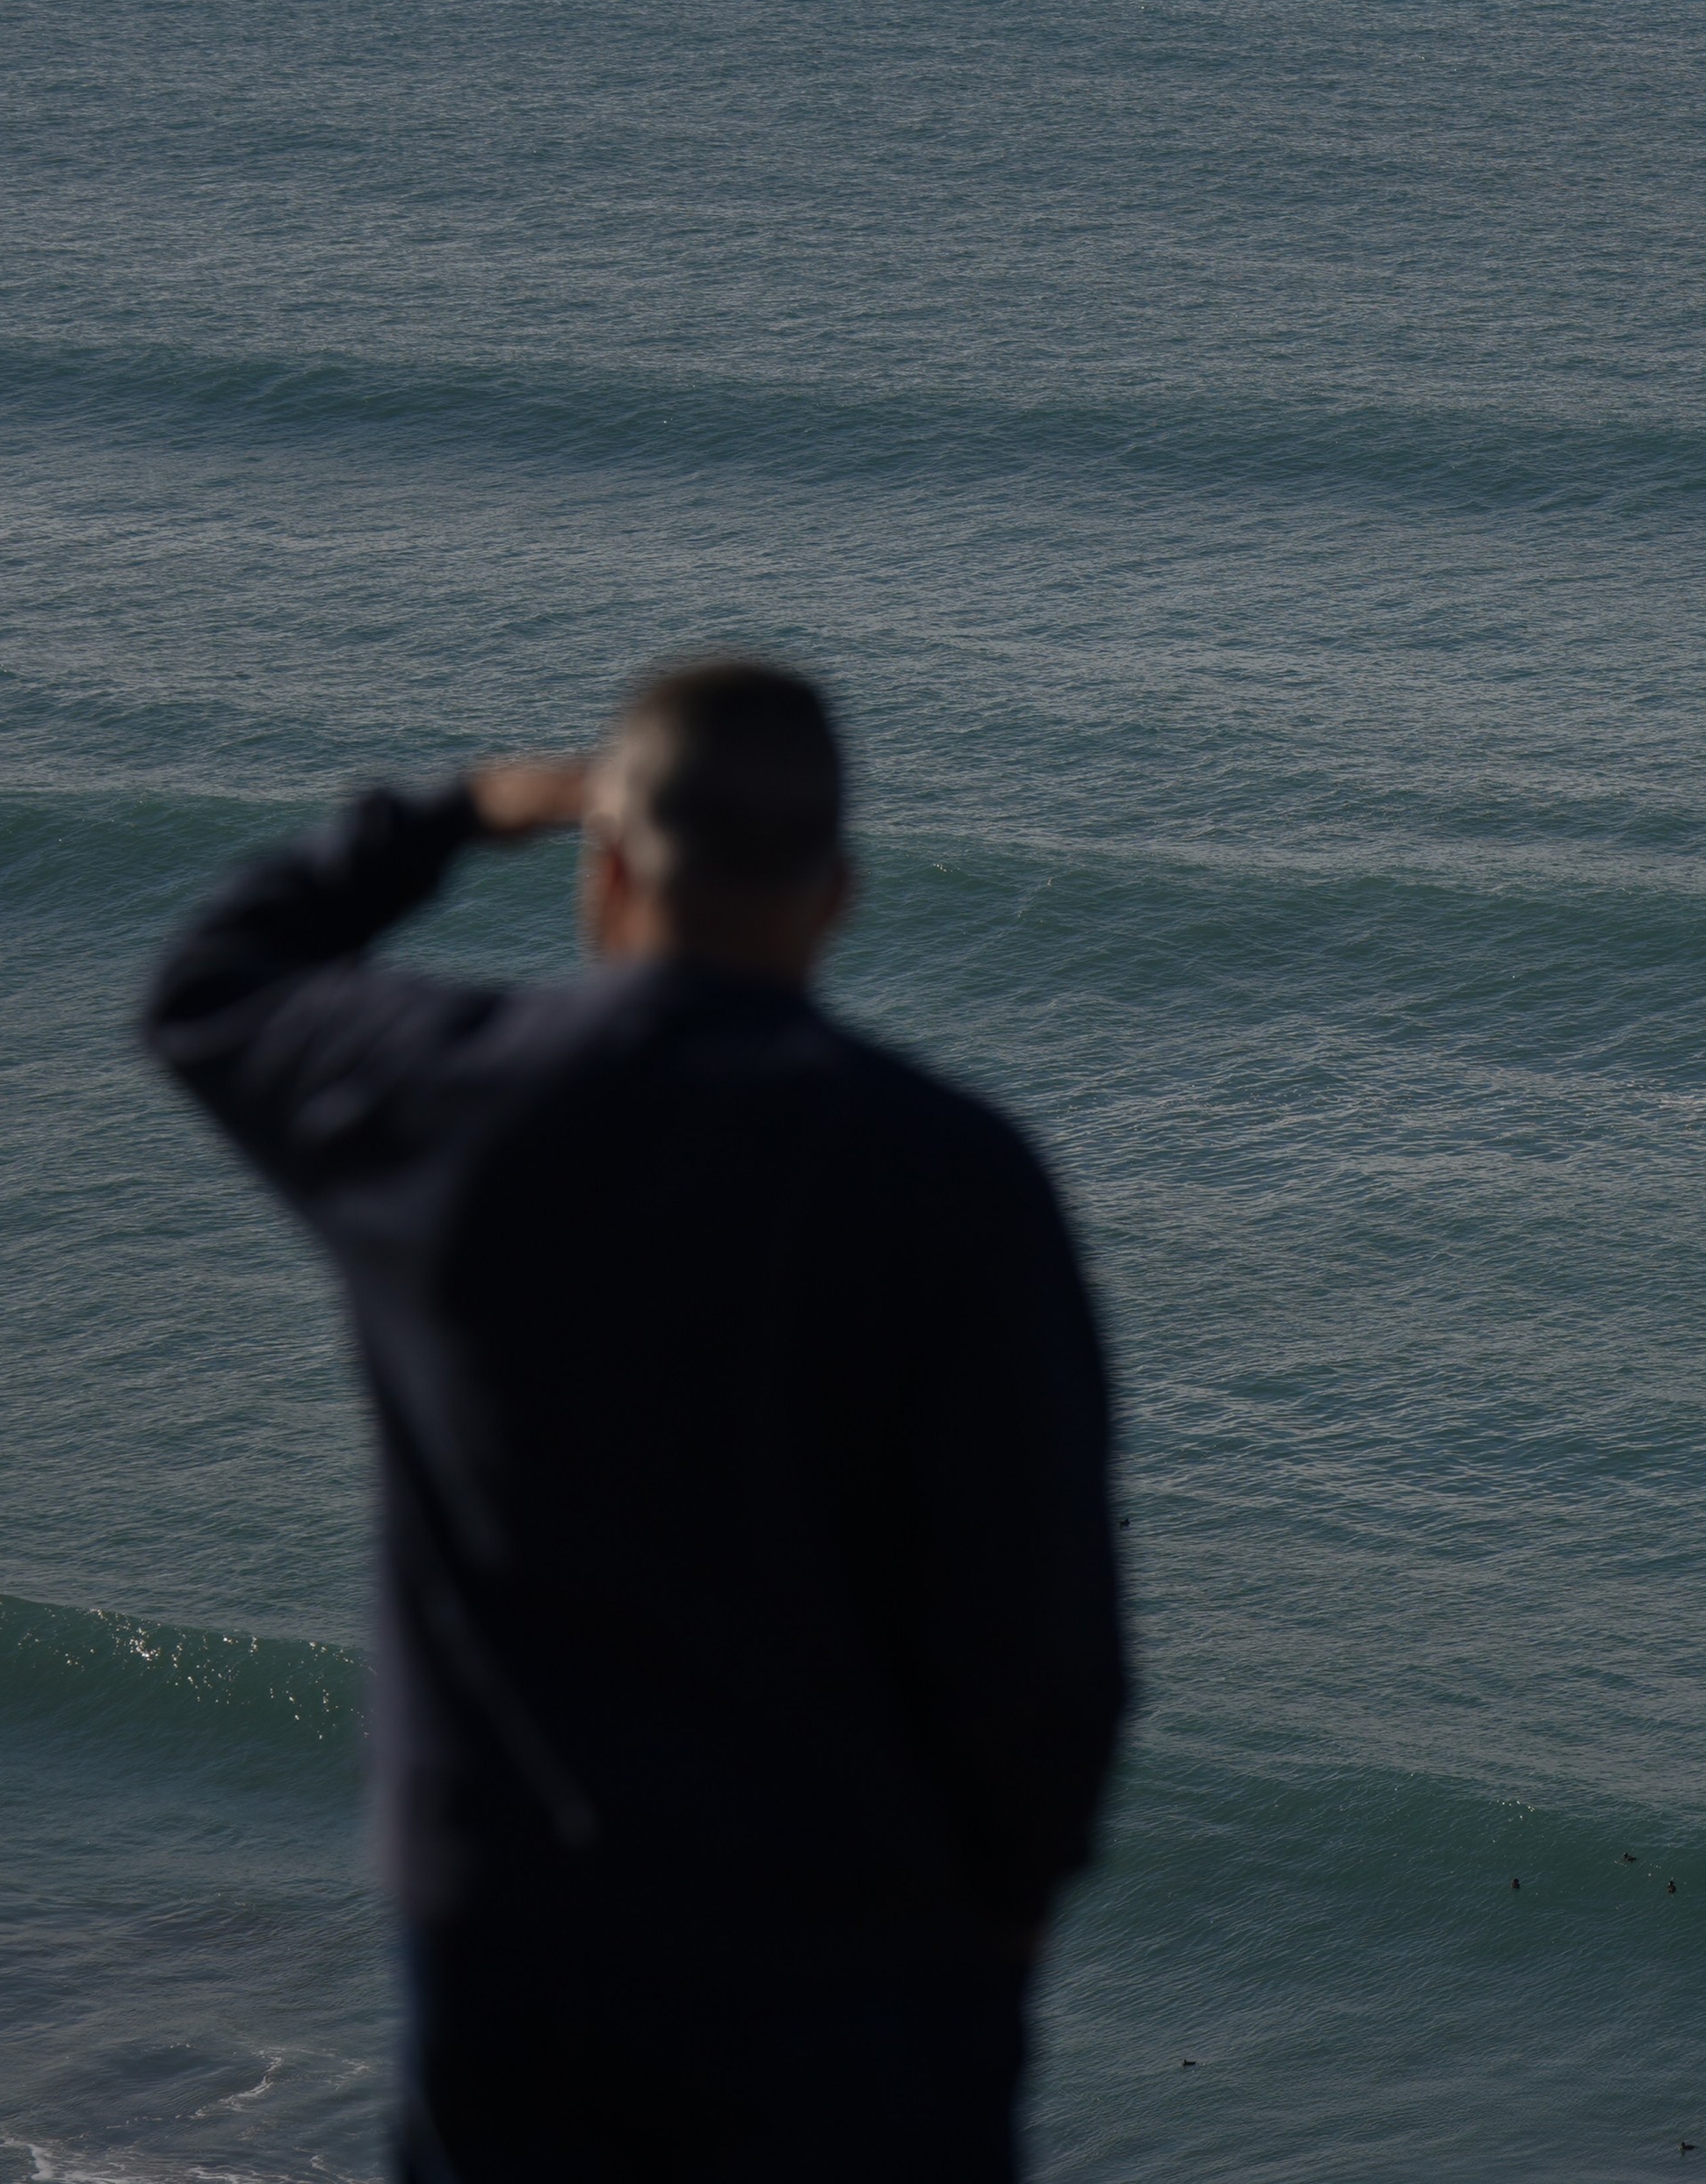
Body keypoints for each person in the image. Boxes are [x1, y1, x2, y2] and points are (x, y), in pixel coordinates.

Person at [141, 656, 1127, 2180]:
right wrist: (1006, 1915)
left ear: (604, 871)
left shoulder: (448, 1101)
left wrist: (454, 812)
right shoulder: (959, 1178)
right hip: (860, 1970)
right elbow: (1046, 1634)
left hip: (525, 1958)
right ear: (836, 894)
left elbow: (209, 985)